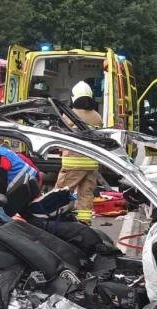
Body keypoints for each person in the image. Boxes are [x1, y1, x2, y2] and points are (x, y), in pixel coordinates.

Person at [54, 81, 103, 224]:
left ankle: (56, 219)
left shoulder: (69, 115)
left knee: (61, 193)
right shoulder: (97, 116)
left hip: (73, 163)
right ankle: (84, 223)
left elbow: (62, 137)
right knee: (86, 194)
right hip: (92, 163)